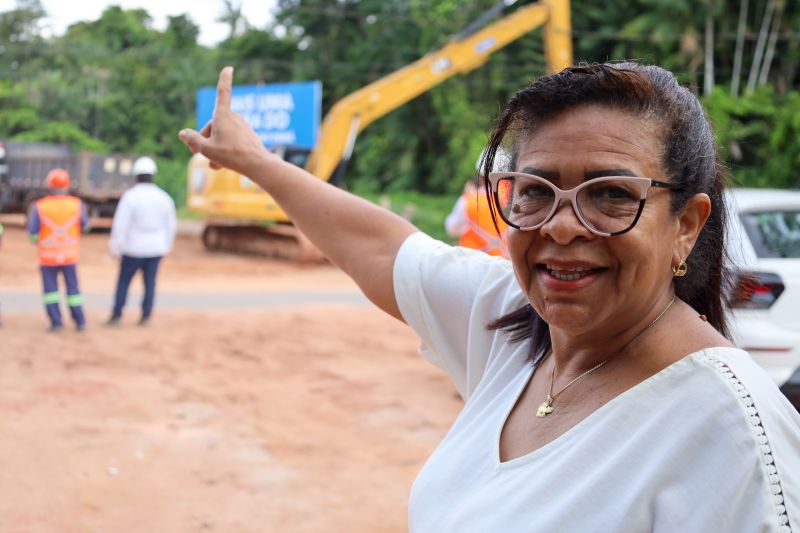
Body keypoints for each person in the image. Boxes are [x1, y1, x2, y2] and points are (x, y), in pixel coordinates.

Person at [179, 64, 800, 532]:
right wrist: (254, 161)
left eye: (610, 194)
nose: (560, 225)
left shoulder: (734, 438)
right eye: (534, 190)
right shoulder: (515, 328)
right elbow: (381, 248)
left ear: (686, 225)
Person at [106, 156, 176, 326]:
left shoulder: (130, 197)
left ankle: (117, 315)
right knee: (150, 283)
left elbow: (120, 225)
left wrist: (116, 247)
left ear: (136, 176)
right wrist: (166, 246)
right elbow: (171, 225)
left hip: (132, 248)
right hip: (155, 249)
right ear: (153, 175)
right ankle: (146, 316)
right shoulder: (164, 197)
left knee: (124, 281)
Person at [27, 168, 90, 332]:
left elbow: (33, 234)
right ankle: (80, 321)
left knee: (51, 291)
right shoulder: (77, 205)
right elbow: (86, 226)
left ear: (49, 185)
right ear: (67, 185)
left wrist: (40, 241)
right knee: (73, 290)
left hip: (48, 258)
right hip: (69, 256)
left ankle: (56, 322)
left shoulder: (40, 206)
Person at [444, 152, 509, 257]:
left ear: (481, 175)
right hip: (506, 265)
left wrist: (467, 196)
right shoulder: (516, 198)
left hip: (474, 264)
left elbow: (451, 228)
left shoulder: (468, 201)